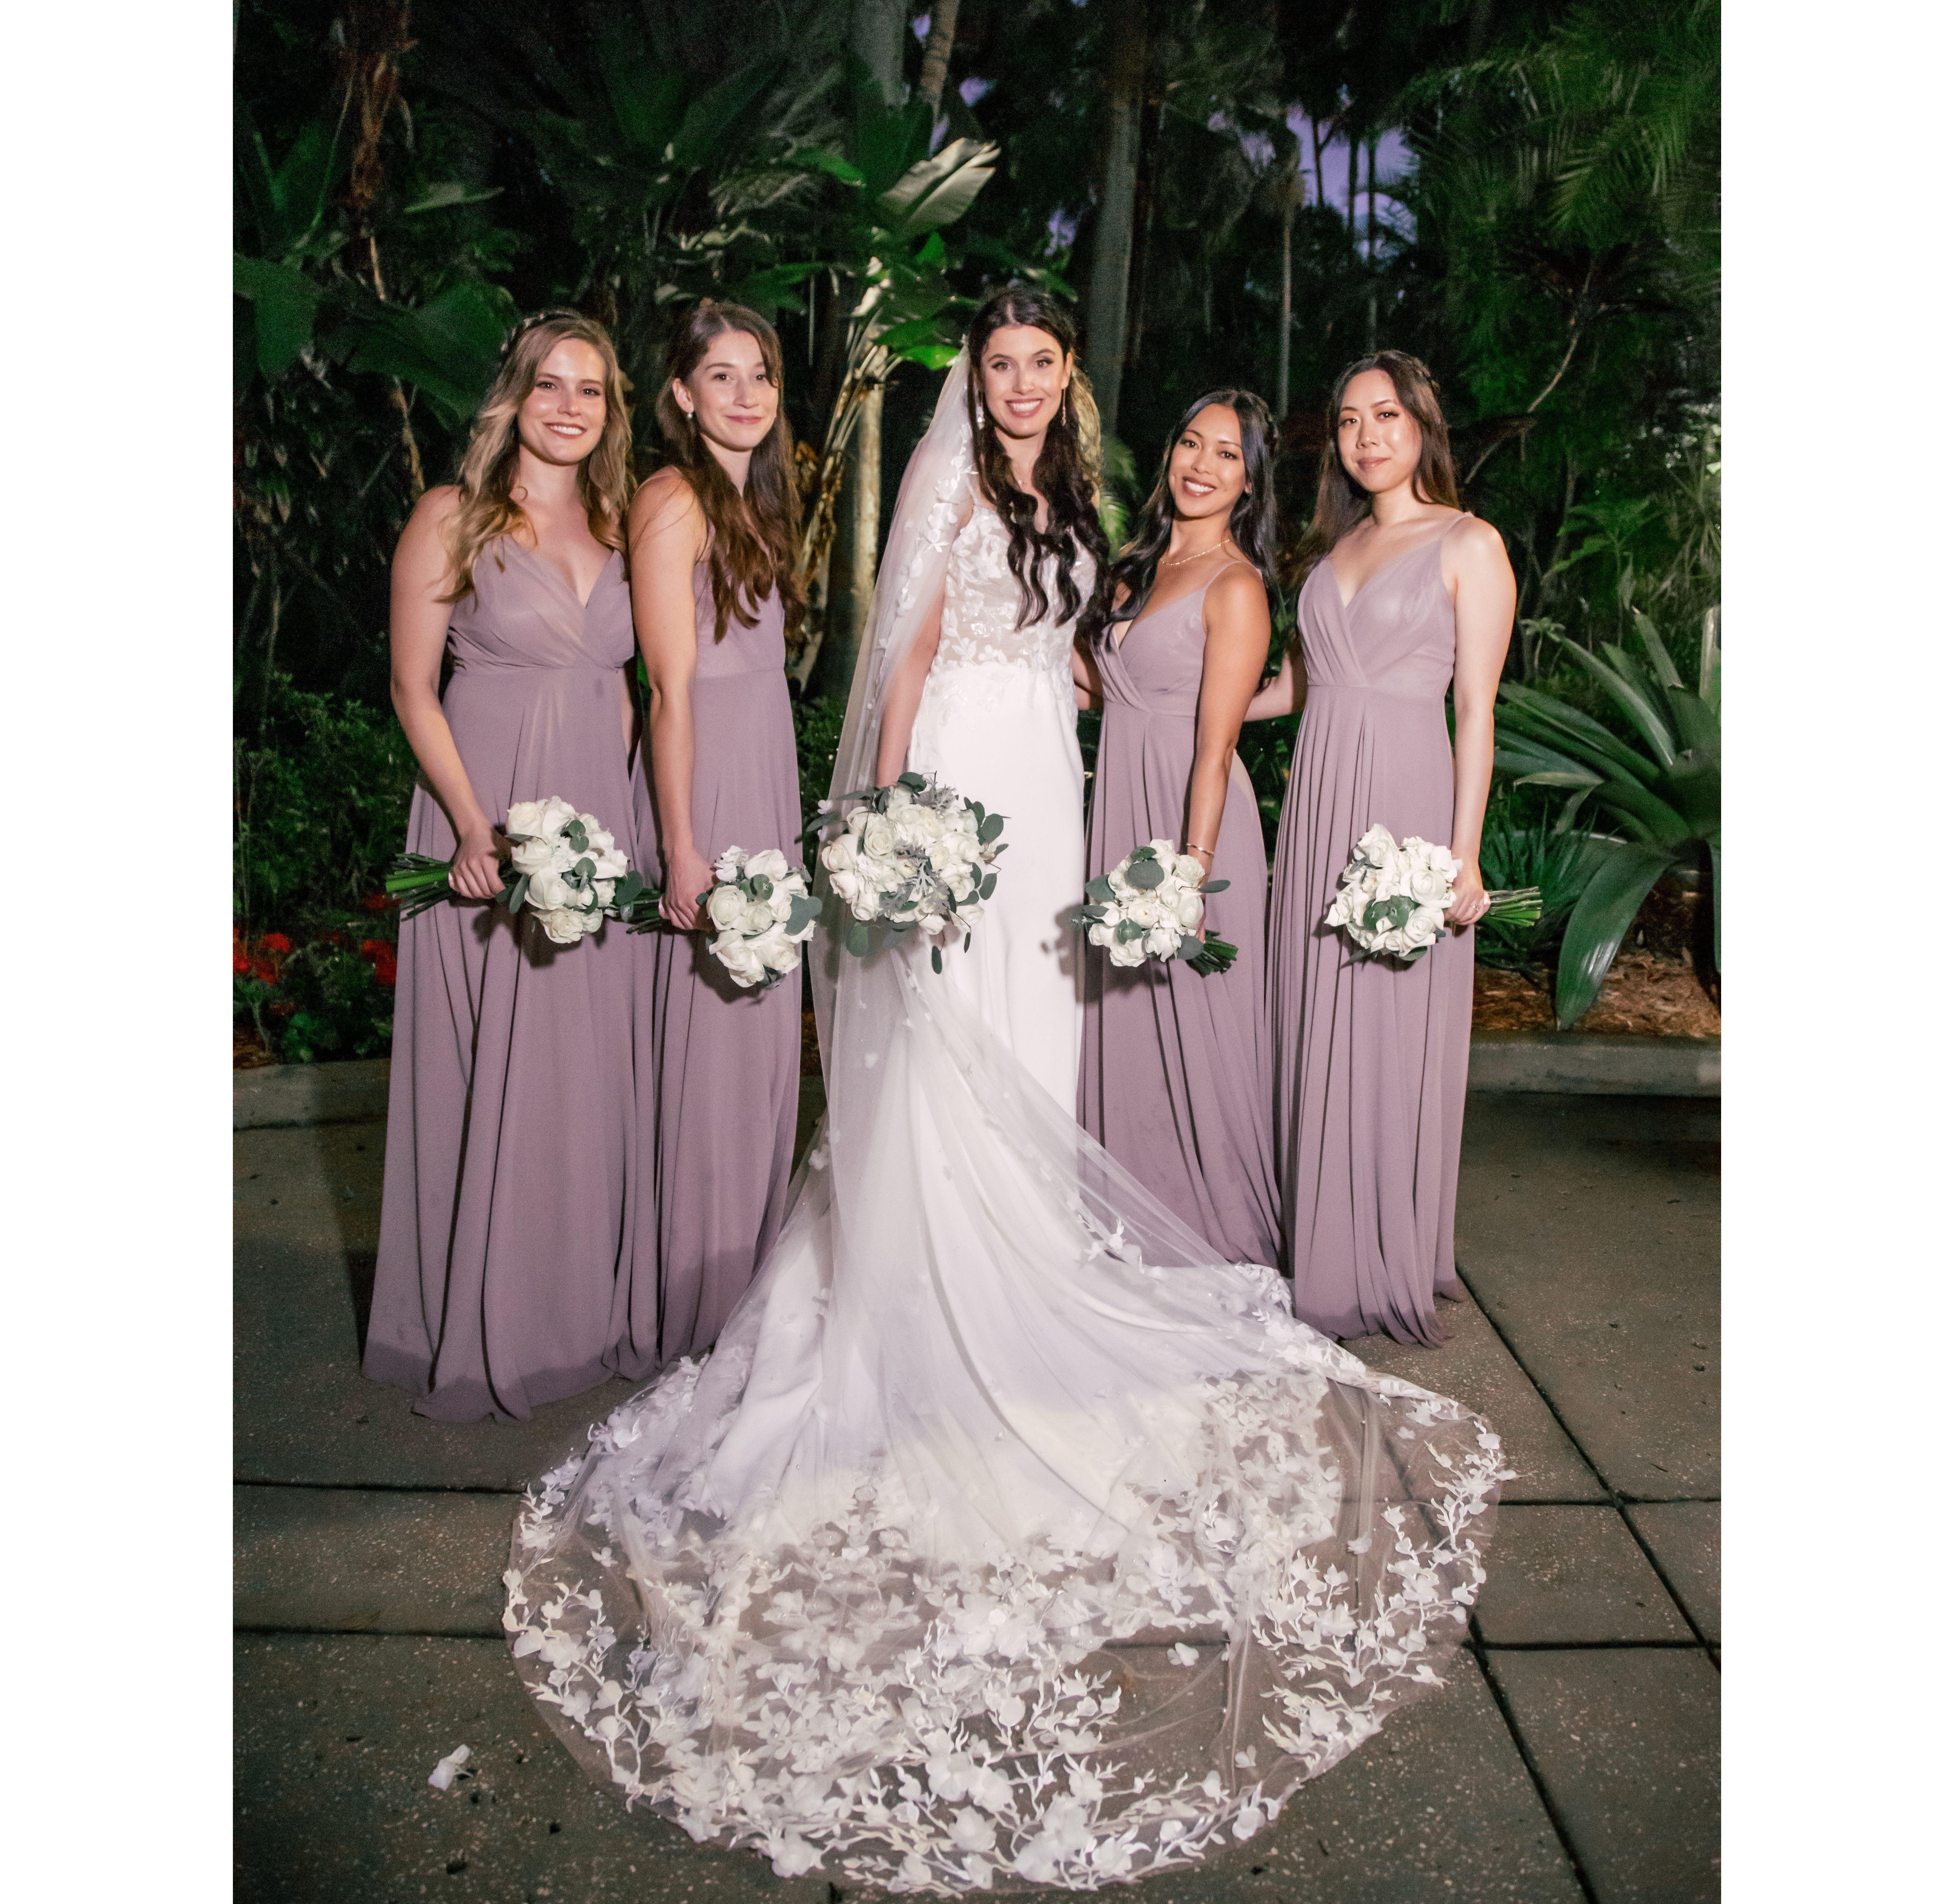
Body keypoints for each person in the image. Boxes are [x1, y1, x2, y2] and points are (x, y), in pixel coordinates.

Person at [505, 292, 1505, 1891]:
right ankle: (926, 1286)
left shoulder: (1076, 502)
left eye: (1044, 364)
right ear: (974, 381)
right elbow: (903, 656)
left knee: (1041, 1035)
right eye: (1000, 365)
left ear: (1068, 384)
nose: (1023, 384)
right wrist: (895, 815)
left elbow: (1126, 668)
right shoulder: (953, 480)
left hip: (1054, 781)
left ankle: (1031, 1260)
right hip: (964, 776)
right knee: (940, 1036)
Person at [366, 312, 648, 1422]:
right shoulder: (452, 515)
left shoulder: (622, 524)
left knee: (581, 1072)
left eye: (590, 389)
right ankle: (468, 1319)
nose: (570, 406)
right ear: (513, 397)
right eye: (550, 385)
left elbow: (622, 687)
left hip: (590, 827)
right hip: (480, 811)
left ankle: (566, 1313)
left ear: (610, 410)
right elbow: (410, 686)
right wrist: (471, 826)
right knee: (480, 1068)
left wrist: (621, 823)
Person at [1247, 351, 1517, 1345]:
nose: (1366, 436)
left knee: (1389, 1026)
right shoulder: (1335, 548)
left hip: (1404, 804)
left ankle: (1380, 1248)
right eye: (1350, 419)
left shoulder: (1468, 542)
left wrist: (1461, 853)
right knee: (1310, 1015)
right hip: (1317, 807)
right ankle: (1319, 1237)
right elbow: (1296, 687)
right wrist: (1178, 702)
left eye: (1386, 415)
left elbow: (1476, 709)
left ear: (1421, 424)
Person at [610, 301, 807, 1370]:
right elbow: (667, 690)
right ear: (681, 394)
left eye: (760, 373)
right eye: (720, 376)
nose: (746, 394)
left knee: (759, 1038)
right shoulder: (672, 497)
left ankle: (743, 1277)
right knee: (711, 1040)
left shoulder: (754, 502)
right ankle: (697, 1298)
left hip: (761, 768)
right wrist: (682, 844)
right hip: (709, 783)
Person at [1074, 390, 1282, 1265]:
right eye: (1192, 443)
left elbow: (1217, 744)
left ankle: (1210, 1224)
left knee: (1196, 1026)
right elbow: (1096, 687)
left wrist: (1192, 873)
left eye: (1227, 454)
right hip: (1121, 802)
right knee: (1122, 1022)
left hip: (1192, 818)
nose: (1202, 465)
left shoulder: (1235, 586)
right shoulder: (1134, 565)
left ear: (1250, 481)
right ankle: (1124, 1213)